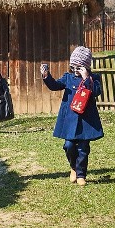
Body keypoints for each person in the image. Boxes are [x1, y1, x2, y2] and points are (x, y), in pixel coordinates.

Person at [40, 46, 104, 186]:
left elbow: (96, 91)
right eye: (73, 66)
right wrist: (46, 76)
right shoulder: (67, 78)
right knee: (68, 145)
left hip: (86, 120)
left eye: (79, 67)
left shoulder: (94, 78)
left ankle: (81, 175)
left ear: (86, 66)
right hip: (69, 119)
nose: (76, 69)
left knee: (83, 148)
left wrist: (86, 78)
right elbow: (55, 85)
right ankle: (73, 167)